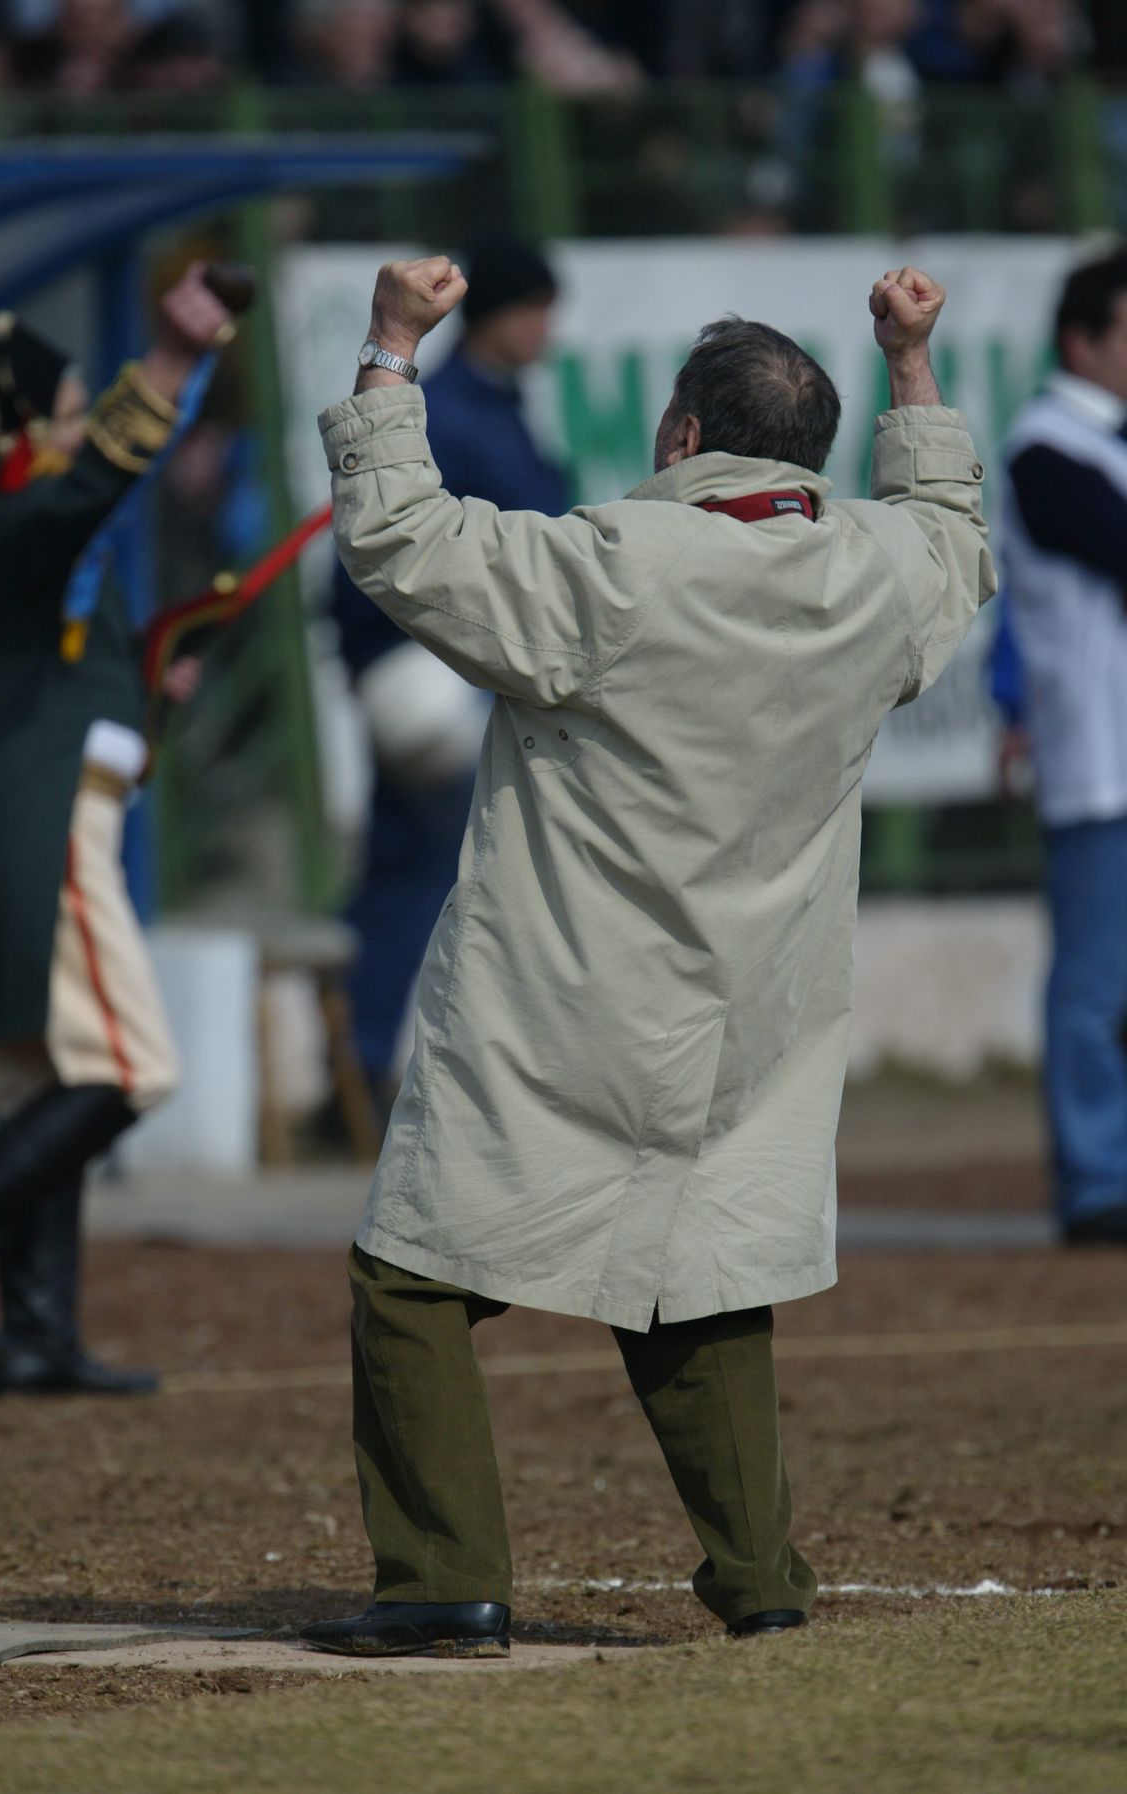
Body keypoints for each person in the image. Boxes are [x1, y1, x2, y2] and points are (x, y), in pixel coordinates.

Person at [301, 253, 993, 1659]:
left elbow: (399, 539)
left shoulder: (607, 563)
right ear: (807, 445)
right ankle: (761, 1577)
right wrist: (912, 362)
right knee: (709, 1284)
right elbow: (953, 528)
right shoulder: (878, 578)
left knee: (414, 1277)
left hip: (556, 1008)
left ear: (681, 436)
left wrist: (389, 344)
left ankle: (444, 1578)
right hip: (754, 1021)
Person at [0, 264, 234, 1394]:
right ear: (26, 428)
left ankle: (39, 1338)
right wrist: (168, 362)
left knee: (43, 1080)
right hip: (39, 813)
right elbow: (84, 489)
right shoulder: (10, 512)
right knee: (128, 1068)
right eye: (63, 413)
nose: (75, 429)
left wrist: (149, 683)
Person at [331, 237, 568, 1113]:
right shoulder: (458, 412)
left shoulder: (488, 404)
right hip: (437, 678)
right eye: (534, 306)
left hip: (420, 676)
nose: (546, 325)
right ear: (500, 313)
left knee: (408, 869)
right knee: (457, 869)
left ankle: (361, 1060)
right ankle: (399, 1069)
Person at [998, 245, 1127, 1247]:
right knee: (1094, 984)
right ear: (1083, 341)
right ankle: (1094, 1179)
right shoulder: (1048, 449)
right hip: (1100, 759)